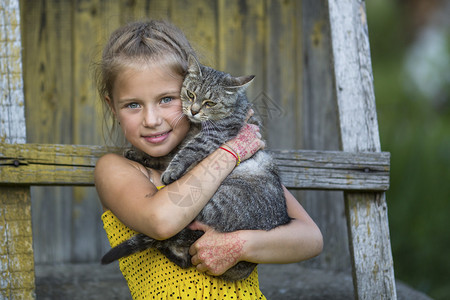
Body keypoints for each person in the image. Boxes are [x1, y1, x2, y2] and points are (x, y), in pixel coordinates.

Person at [94, 19, 323, 300]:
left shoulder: (245, 173)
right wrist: (231, 152)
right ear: (112, 107)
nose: (151, 120)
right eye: (133, 104)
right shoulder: (115, 169)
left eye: (167, 99)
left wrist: (239, 245)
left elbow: (310, 238)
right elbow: (161, 221)